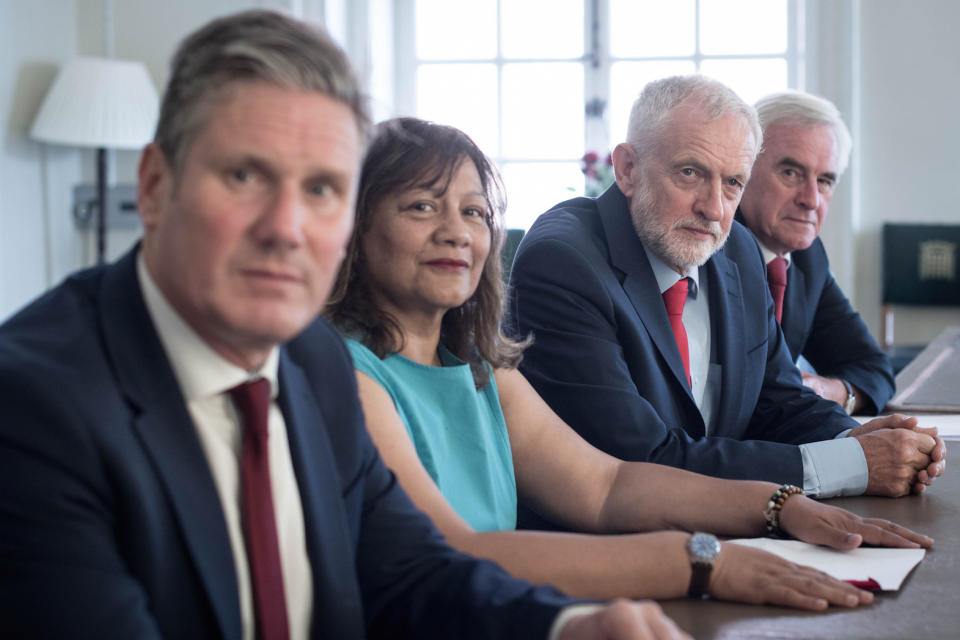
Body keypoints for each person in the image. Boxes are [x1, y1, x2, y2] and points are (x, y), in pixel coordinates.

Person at [0, 11, 690, 640]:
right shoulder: (34, 409)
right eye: (244, 176)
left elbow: (410, 572)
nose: (286, 230)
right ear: (153, 187)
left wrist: (569, 628)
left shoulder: (312, 362)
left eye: (322, 189)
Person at [324, 116, 931, 609]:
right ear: (354, 226)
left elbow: (608, 485)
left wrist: (778, 504)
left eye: (475, 212)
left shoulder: (483, 370)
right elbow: (454, 552)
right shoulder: (348, 377)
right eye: (422, 208)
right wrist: (701, 561)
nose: (458, 233)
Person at [507, 75, 945, 501]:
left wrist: (856, 437)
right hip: (611, 548)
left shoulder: (736, 248)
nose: (714, 209)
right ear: (626, 169)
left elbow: (778, 400)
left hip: (737, 525)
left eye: (733, 182)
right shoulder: (563, 262)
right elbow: (639, 461)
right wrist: (851, 464)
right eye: (690, 173)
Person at [736, 90, 894, 415]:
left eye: (824, 181)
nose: (811, 199)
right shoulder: (708, 249)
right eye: (790, 173)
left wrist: (832, 391)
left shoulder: (807, 259)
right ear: (742, 171)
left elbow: (873, 367)